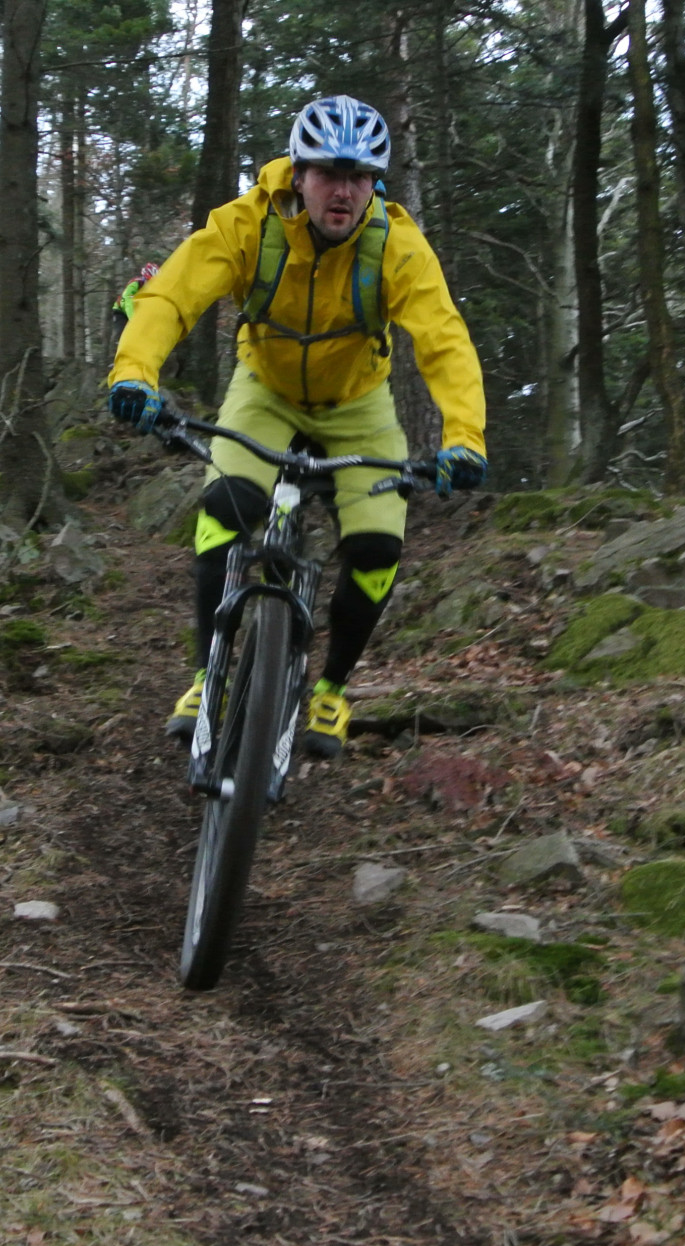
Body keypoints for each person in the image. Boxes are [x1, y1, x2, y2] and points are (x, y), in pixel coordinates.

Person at [107, 94, 488, 759]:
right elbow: (171, 294)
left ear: (375, 184)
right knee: (226, 509)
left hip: (358, 404)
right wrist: (134, 374)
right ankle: (207, 676)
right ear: (299, 173)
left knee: (376, 550)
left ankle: (332, 690)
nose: (343, 191)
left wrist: (465, 439)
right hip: (267, 390)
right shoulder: (248, 224)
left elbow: (444, 341)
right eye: (329, 173)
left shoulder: (397, 246)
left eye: (359, 176)